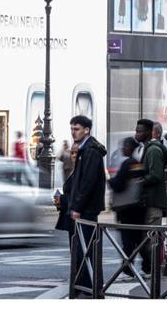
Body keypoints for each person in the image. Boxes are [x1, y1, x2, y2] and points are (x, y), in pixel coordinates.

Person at [55, 115, 106, 296]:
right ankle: (83, 285)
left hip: (86, 209)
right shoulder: (85, 149)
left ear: (86, 130)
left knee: (86, 250)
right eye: (72, 129)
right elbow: (79, 181)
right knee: (80, 250)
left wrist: (77, 207)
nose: (73, 132)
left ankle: (89, 287)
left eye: (76, 129)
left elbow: (87, 182)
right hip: (82, 207)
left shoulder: (90, 151)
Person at [108, 136, 146, 277]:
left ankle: (128, 269)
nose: (123, 149)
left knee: (128, 240)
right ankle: (146, 266)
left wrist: (109, 180)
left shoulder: (127, 164)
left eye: (125, 146)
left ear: (130, 148)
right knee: (138, 239)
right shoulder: (138, 164)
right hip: (137, 207)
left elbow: (118, 185)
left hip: (126, 208)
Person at [137, 119, 167, 271]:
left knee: (151, 239)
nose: (136, 134)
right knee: (149, 238)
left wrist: (139, 181)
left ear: (152, 133)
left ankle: (154, 271)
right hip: (150, 201)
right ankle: (151, 269)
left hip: (153, 201)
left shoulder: (153, 150)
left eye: (139, 131)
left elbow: (156, 175)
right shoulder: (150, 148)